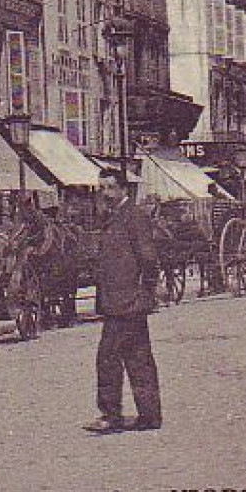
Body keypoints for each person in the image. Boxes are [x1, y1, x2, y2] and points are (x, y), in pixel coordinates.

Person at [86, 169, 162, 434]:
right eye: (101, 188)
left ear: (122, 189)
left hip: (127, 301)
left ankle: (111, 415)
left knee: (108, 356)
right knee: (138, 356)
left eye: (109, 188)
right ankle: (149, 415)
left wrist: (145, 292)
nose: (105, 193)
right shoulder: (113, 216)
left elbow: (149, 259)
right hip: (120, 301)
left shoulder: (133, 216)